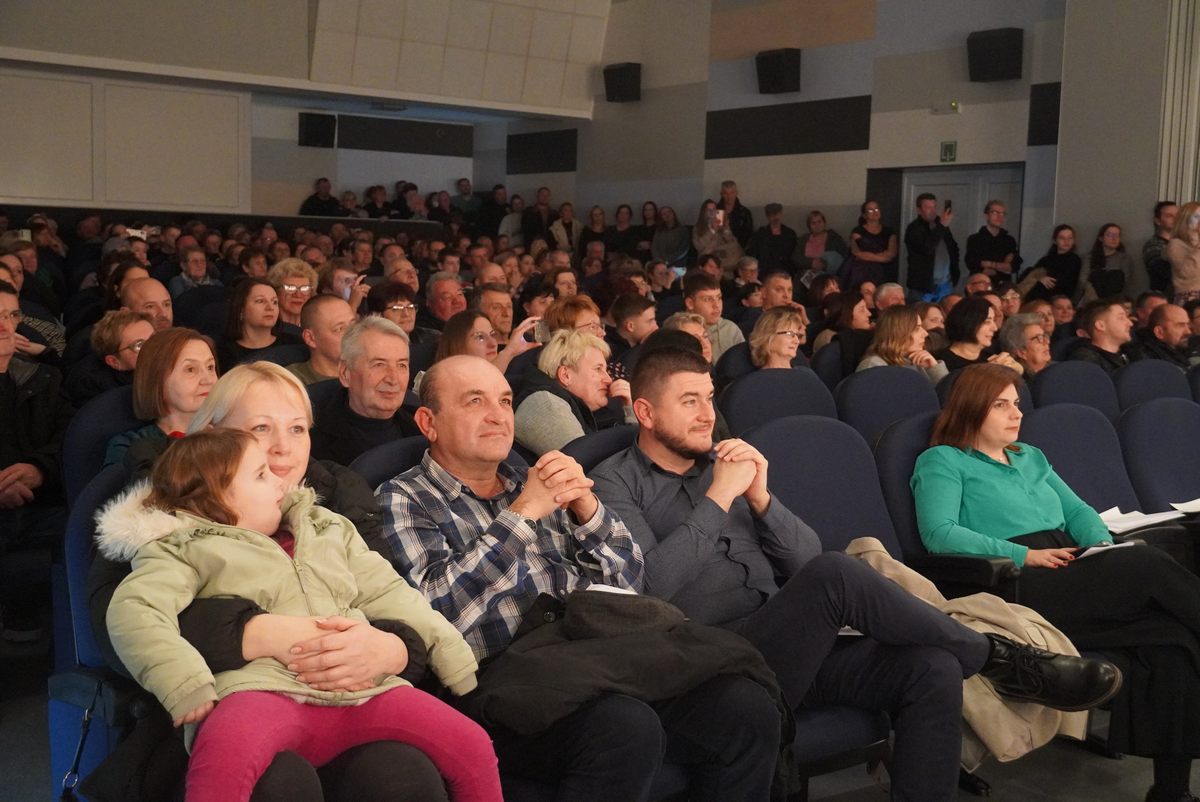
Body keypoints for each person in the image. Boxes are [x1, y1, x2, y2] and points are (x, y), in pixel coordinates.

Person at [590, 347, 1121, 802]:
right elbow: (649, 588)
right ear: (645, 412)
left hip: (788, 644)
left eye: (709, 398)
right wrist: (719, 498)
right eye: (689, 402)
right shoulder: (615, 484)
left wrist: (762, 499)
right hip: (710, 661)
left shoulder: (726, 466)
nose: (708, 414)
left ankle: (983, 663)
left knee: (931, 667)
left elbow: (803, 559)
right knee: (836, 573)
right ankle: (997, 659)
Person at [379, 355, 783, 800]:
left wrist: (588, 512)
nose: (497, 415)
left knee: (745, 708)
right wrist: (522, 515)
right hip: (502, 682)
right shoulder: (403, 498)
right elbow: (437, 615)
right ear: (429, 422)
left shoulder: (533, 479)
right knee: (624, 726)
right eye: (475, 401)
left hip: (593, 657)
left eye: (505, 401)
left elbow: (632, 585)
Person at [98, 429, 500, 802]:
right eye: (260, 474)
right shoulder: (185, 546)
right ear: (213, 497)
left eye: (297, 427)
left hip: (362, 690)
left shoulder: (327, 527)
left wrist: (450, 652)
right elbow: (135, 610)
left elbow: (389, 592)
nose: (279, 479)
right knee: (223, 756)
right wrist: (184, 682)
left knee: (473, 745)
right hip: (261, 691)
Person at [912, 363, 1200, 802]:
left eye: (1017, 404)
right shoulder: (943, 461)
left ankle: (1171, 792)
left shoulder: (1030, 456)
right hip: (1012, 580)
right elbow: (939, 534)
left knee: (1173, 639)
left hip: (1067, 565)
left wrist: (1100, 545)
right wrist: (1024, 555)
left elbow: (1079, 511)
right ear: (971, 409)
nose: (1016, 413)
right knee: (1145, 562)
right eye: (1001, 405)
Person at [0, 280, 73, 640]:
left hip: (40, 506)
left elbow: (68, 440)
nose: (5, 327)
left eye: (11, 315)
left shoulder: (45, 379)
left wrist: (38, 470)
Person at [309, 317, 421, 466]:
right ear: (345, 373)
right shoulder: (312, 440)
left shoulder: (422, 427)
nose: (393, 379)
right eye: (379, 364)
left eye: (401, 365)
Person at [105, 328, 218, 466]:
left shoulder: (230, 429)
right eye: (190, 369)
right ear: (157, 381)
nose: (208, 380)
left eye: (210, 367)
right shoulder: (129, 447)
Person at [514, 329, 636, 456]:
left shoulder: (570, 405)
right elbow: (587, 462)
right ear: (566, 375)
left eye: (606, 370)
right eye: (598, 369)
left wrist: (629, 409)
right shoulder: (544, 404)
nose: (608, 379)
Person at [65, 309, 155, 405]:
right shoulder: (92, 386)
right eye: (139, 345)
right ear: (114, 361)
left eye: (154, 337)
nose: (154, 347)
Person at [216, 278, 298, 373]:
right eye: (260, 301)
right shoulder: (222, 352)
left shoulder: (294, 344)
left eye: (274, 302)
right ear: (240, 310)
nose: (270, 307)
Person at [857, 305, 949, 385]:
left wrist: (934, 367)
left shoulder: (918, 363)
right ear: (898, 332)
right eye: (917, 328)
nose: (925, 333)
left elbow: (950, 396)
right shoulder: (874, 365)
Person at [433, 310, 540, 376]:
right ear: (457, 344)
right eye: (480, 337)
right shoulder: (446, 381)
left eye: (492, 335)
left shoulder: (511, 375)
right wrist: (509, 351)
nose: (492, 344)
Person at [934, 296, 1023, 374]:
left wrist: (1017, 369)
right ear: (969, 322)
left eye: (993, 320)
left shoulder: (992, 358)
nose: (995, 328)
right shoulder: (940, 363)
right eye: (987, 321)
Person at [287, 296, 357, 386]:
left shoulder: (367, 372)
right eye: (339, 329)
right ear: (310, 338)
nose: (352, 333)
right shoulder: (290, 381)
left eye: (353, 325)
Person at [904, 193, 959, 302]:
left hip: (945, 283)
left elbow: (953, 248)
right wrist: (942, 226)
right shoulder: (913, 229)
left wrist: (955, 273)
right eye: (928, 207)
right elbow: (926, 248)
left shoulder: (940, 224)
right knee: (920, 311)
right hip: (923, 286)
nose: (933, 211)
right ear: (919, 210)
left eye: (934, 207)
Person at [682, 272, 743, 362]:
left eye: (719, 298)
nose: (716, 305)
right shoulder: (677, 330)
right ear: (690, 303)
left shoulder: (730, 329)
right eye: (707, 299)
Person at [1066, 299, 1136, 375]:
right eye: (1121, 318)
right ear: (1101, 325)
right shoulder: (1086, 361)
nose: (1130, 323)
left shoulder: (1129, 353)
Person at [1022, 225, 1086, 304]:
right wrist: (1039, 278)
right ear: (1055, 241)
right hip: (1036, 299)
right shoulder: (1046, 260)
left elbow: (1061, 283)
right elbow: (1029, 275)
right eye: (1062, 238)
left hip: (1058, 300)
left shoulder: (1074, 260)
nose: (1066, 241)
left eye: (1070, 238)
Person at [845, 200, 898, 290]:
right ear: (864, 215)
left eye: (876, 209)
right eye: (870, 210)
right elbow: (857, 253)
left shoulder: (889, 231)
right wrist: (881, 258)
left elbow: (891, 253)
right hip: (862, 271)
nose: (874, 212)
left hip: (884, 271)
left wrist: (869, 255)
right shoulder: (858, 231)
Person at [367, 283, 440, 346]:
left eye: (410, 307)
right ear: (377, 315)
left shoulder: (433, 339)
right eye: (397, 308)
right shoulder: (369, 345)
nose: (406, 314)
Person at [964, 201, 1021, 281]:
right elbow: (972, 264)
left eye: (1002, 214)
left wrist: (989, 264)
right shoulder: (975, 239)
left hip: (1003, 284)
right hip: (980, 283)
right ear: (986, 216)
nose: (999, 216)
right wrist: (1002, 266)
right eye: (995, 212)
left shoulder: (1009, 240)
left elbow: (1014, 266)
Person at [1124, 301, 1192, 368]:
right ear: (1159, 332)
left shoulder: (1186, 349)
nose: (1188, 332)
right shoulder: (1149, 360)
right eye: (1180, 326)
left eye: (1188, 325)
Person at [791, 209, 847, 279]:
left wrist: (825, 264)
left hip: (828, 276)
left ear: (824, 223)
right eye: (813, 223)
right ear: (809, 226)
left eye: (819, 222)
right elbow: (795, 258)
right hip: (806, 275)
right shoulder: (803, 240)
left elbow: (844, 257)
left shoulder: (834, 239)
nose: (817, 225)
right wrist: (811, 263)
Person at [267, 258, 318, 334]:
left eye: (304, 288)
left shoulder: (316, 329)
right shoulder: (266, 329)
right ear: (275, 291)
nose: (298, 295)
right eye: (290, 288)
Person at [692, 199, 743, 275]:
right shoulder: (698, 228)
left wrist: (726, 228)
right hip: (710, 258)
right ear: (704, 212)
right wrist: (713, 230)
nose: (712, 212)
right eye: (709, 210)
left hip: (726, 259)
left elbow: (732, 241)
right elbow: (700, 246)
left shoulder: (721, 224)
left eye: (714, 209)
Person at [747, 203, 799, 275]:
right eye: (772, 214)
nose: (775, 217)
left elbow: (795, 255)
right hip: (766, 272)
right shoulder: (759, 235)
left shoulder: (790, 234)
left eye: (777, 214)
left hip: (786, 271)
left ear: (781, 214)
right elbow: (753, 255)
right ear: (767, 216)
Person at [995, 312, 1052, 377]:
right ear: (1021, 352)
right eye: (1038, 338)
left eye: (1044, 336)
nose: (1047, 342)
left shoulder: (1058, 370)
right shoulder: (1016, 381)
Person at [1087, 223, 1136, 298]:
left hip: (1116, 298)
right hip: (1093, 298)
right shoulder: (1089, 257)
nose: (1114, 238)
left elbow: (1127, 281)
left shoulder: (1124, 258)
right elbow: (1083, 280)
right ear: (1101, 238)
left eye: (1117, 235)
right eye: (1109, 235)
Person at [1166, 202, 1200, 305]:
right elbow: (1186, 273)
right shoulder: (1176, 244)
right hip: (1189, 296)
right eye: (1196, 217)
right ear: (1185, 219)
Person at [1144, 201, 1179, 294]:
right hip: (1164, 296)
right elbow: (1164, 272)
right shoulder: (1153, 245)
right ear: (1158, 221)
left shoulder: (1186, 243)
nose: (1175, 218)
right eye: (1169, 216)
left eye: (1178, 215)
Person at [717, 180, 754, 247]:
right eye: (726, 193)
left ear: (736, 193)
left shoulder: (745, 213)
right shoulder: (716, 211)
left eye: (732, 193)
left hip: (739, 248)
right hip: (719, 247)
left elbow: (749, 236)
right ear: (721, 194)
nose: (729, 197)